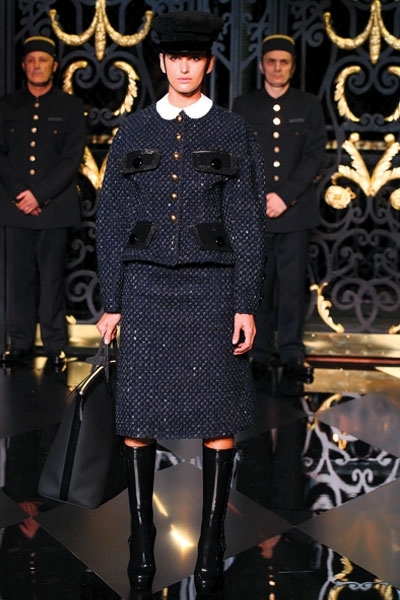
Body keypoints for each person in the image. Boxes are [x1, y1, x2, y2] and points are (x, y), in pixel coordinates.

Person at [95, 10, 266, 597]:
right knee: (137, 420)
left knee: (219, 421)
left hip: (213, 292)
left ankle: (211, 540)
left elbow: (246, 221)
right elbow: (111, 219)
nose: (185, 67)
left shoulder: (232, 130)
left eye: (195, 58)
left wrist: (245, 301)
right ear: (163, 63)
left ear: (207, 63)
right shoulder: (134, 130)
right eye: (176, 58)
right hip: (145, 289)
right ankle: (141, 540)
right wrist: (112, 299)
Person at [232, 34, 327, 387]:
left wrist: (285, 196)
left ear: (292, 67)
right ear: (261, 66)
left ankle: (290, 353)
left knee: (291, 288)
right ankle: (256, 354)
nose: (277, 68)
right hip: (256, 214)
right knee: (258, 284)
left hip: (294, 212)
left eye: (283, 62)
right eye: (271, 61)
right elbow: (239, 156)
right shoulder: (244, 105)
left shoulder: (308, 105)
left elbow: (314, 156)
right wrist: (261, 198)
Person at [0, 36, 86, 366]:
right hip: (15, 208)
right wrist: (19, 193)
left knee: (52, 280)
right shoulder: (7, 106)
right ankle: (19, 343)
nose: (37, 66)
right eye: (31, 60)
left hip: (55, 208)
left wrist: (40, 194)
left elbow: (72, 158)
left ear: (55, 65)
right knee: (18, 280)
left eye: (43, 60)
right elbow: (1, 155)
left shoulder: (70, 107)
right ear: (24, 66)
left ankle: (54, 345)